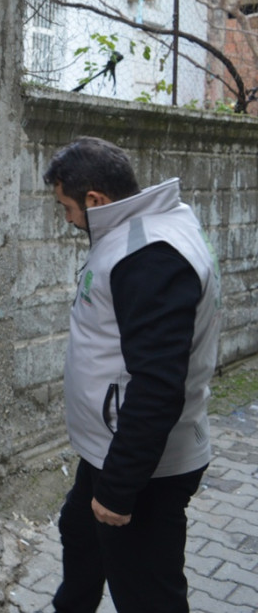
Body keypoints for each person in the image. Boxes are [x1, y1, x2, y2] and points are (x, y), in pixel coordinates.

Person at [43, 136, 222, 613]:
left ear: (96, 200)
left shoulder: (147, 256)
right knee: (79, 533)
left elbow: (160, 384)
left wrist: (120, 490)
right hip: (112, 447)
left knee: (147, 593)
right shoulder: (139, 232)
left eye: (67, 208)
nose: (68, 220)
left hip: (142, 466)